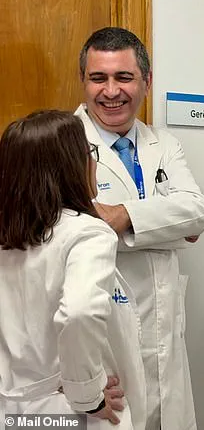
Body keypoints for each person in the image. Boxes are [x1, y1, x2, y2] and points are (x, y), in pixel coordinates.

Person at [75, 27, 204, 430]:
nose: (110, 91)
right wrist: (168, 227)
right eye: (98, 78)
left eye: (124, 77)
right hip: (102, 350)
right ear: (83, 81)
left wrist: (122, 218)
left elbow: (198, 212)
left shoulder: (163, 143)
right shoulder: (61, 145)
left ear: (147, 82)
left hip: (166, 341)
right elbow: (73, 234)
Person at [0, 111, 146, 429]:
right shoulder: (86, 233)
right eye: (89, 151)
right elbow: (80, 313)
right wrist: (88, 396)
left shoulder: (8, 239)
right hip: (71, 412)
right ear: (70, 166)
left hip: (15, 410)